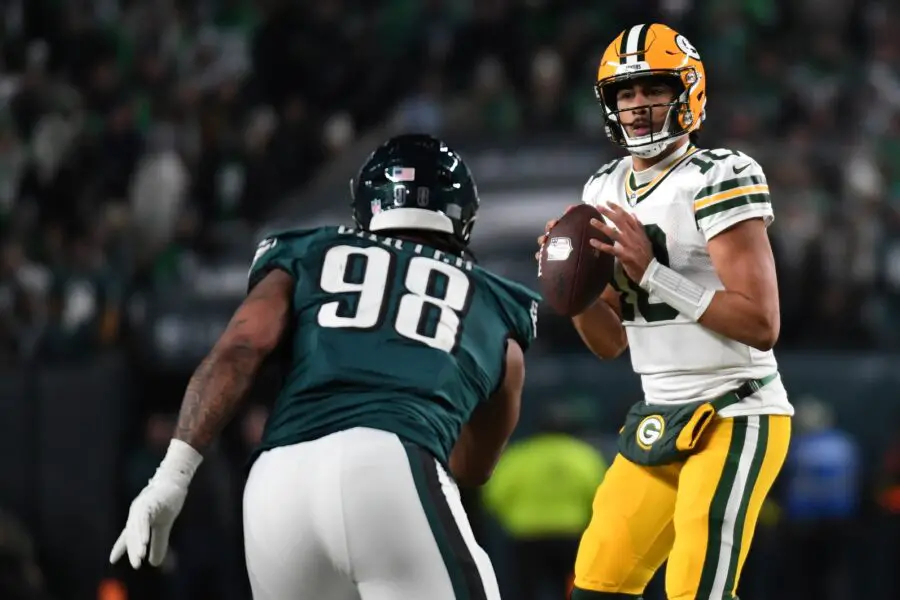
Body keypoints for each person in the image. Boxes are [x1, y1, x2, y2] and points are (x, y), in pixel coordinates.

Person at [110, 133, 541, 600]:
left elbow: (241, 347)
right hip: (391, 464)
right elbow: (473, 468)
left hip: (276, 486)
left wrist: (171, 477)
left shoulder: (307, 252)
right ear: (464, 218)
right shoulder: (496, 305)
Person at [536, 23, 794, 600]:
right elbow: (609, 343)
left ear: (687, 92)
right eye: (625, 94)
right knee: (597, 585)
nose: (638, 105)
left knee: (695, 589)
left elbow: (762, 324)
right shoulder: (602, 186)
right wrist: (571, 294)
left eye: (652, 88)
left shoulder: (720, 174)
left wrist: (654, 274)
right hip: (657, 411)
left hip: (736, 409)